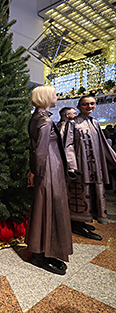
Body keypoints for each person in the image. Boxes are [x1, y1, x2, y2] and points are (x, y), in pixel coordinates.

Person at [26, 86, 73, 277]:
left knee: (46, 209)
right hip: (49, 172)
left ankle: (44, 250)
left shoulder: (38, 118)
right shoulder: (45, 121)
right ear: (45, 97)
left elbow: (35, 148)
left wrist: (34, 171)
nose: (56, 97)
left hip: (48, 170)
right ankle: (40, 253)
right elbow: (40, 151)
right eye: (54, 94)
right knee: (50, 209)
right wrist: (38, 174)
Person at [64, 95, 116, 240]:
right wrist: (72, 165)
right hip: (81, 166)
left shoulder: (94, 122)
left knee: (94, 193)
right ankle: (77, 225)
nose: (90, 107)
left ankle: (85, 221)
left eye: (92, 104)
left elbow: (103, 144)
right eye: (86, 104)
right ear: (79, 106)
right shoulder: (73, 123)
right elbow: (68, 146)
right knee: (81, 195)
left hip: (95, 166)